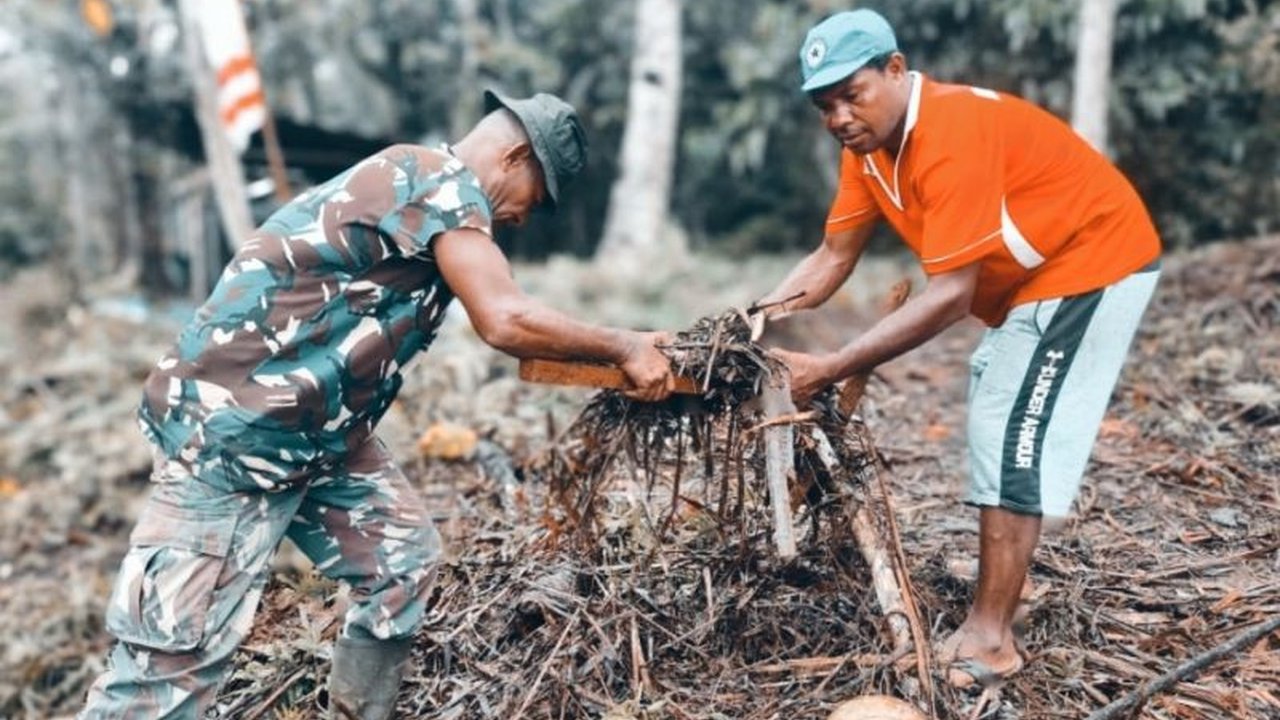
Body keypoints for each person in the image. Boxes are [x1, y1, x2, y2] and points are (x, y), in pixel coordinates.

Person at [80, 90, 675, 720]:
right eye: (538, 196)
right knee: (169, 668)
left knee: (401, 564)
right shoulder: (437, 183)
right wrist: (625, 345)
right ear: (515, 157)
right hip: (233, 436)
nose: (526, 218)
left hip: (317, 435)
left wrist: (623, 350)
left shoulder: (430, 190)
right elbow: (505, 319)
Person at [756, 9, 1161, 688]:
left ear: (895, 69)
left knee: (1010, 427)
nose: (839, 118)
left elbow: (949, 295)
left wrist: (832, 367)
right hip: (1037, 280)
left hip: (1092, 261)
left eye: (851, 95)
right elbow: (832, 256)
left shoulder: (951, 131)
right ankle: (1007, 596)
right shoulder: (868, 151)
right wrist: (748, 326)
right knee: (1000, 406)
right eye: (824, 106)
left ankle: (991, 638)